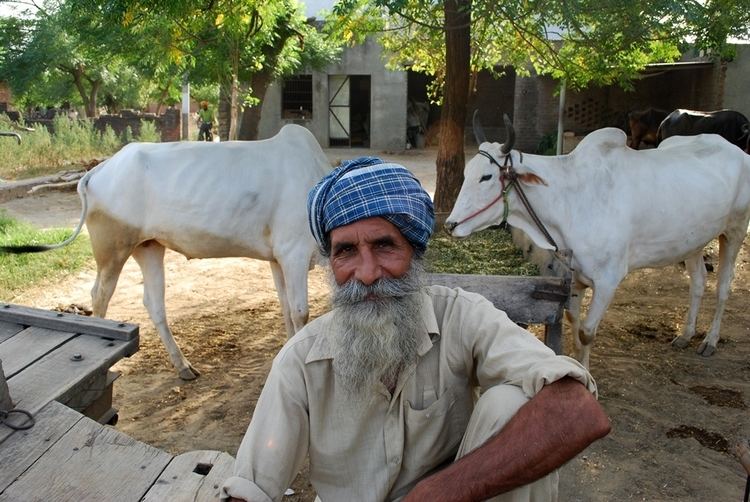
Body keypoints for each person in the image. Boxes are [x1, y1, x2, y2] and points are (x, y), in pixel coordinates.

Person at [221, 157, 610, 502]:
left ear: (415, 252)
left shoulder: (461, 317)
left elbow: (576, 410)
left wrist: (437, 493)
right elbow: (250, 488)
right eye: (346, 252)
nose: (368, 273)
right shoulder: (301, 362)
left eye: (385, 246)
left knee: (512, 404)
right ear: (330, 265)